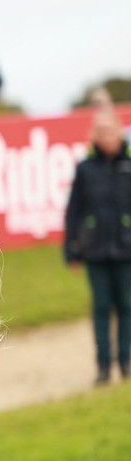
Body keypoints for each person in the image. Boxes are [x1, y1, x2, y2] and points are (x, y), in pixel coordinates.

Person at [64, 111, 131, 385]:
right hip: (95, 251)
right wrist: (72, 248)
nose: (106, 136)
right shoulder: (85, 168)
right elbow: (74, 210)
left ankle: (125, 363)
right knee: (101, 308)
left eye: (110, 131)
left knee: (127, 307)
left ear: (119, 132)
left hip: (126, 250)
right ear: (94, 135)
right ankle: (103, 366)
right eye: (100, 131)